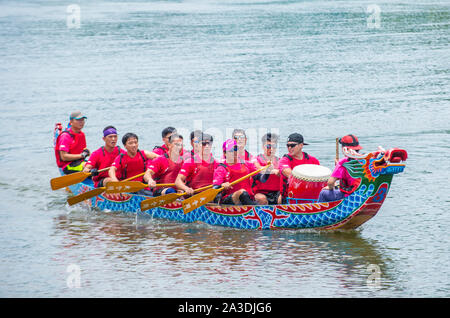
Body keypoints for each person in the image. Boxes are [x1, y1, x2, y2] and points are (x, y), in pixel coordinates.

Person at [212, 139, 264, 205]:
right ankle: (255, 210)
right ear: (225, 153)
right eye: (230, 150)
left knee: (262, 200)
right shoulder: (221, 168)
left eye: (235, 149)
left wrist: (267, 171)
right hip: (228, 200)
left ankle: (255, 209)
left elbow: (262, 179)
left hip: (247, 198)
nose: (234, 152)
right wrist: (222, 185)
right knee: (241, 192)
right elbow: (215, 188)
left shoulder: (246, 164)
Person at [318, 134, 363, 202]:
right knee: (337, 188)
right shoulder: (363, 159)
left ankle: (320, 211)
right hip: (361, 194)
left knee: (323, 193)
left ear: (344, 148)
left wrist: (330, 187)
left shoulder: (343, 162)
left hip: (349, 196)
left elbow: (330, 182)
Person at [278, 133, 320, 203]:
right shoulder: (284, 160)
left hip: (310, 198)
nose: (289, 148)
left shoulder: (313, 160)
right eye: (288, 145)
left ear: (301, 145)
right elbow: (288, 173)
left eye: (292, 145)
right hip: (289, 199)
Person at [253, 133, 281, 205]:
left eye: (274, 146)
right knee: (262, 199)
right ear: (263, 147)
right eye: (268, 146)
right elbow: (258, 168)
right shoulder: (256, 159)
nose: (271, 149)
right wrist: (271, 170)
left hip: (277, 192)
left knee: (284, 197)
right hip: (261, 192)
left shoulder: (280, 161)